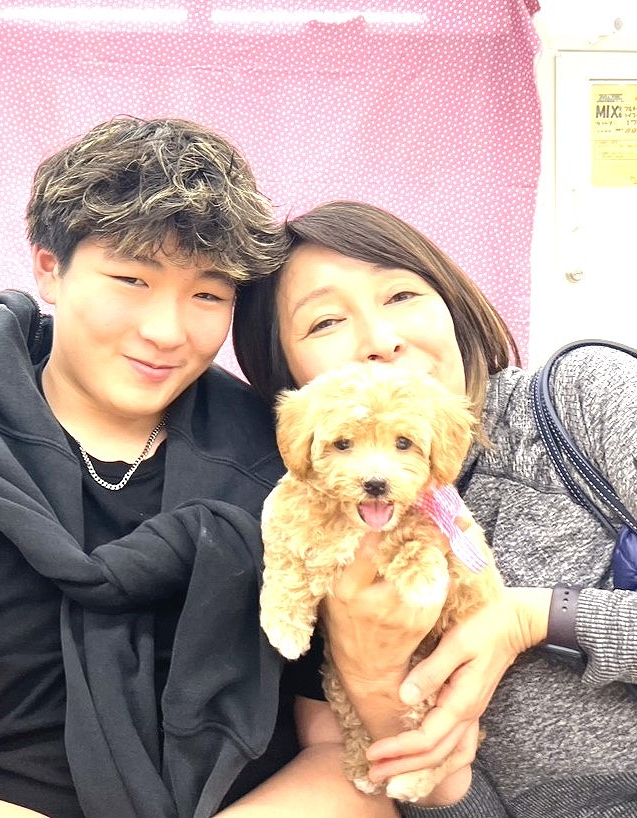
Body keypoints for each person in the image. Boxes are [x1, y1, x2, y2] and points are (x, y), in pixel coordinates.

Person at [0, 118, 398, 817]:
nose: (165, 332)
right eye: (131, 279)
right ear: (49, 267)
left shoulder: (288, 468)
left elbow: (349, 756)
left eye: (207, 294)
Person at [232, 199, 637, 816]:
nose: (381, 341)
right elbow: (434, 795)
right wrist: (373, 683)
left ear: (450, 300)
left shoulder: (583, 398)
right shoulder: (307, 528)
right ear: (284, 373)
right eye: (325, 322)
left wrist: (536, 618)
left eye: (401, 295)